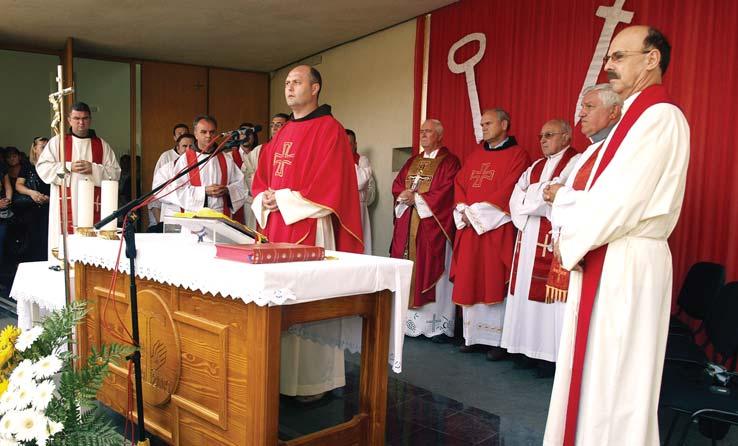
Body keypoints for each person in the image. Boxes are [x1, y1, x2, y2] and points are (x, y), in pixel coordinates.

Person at [542, 26, 690, 446]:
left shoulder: (660, 117)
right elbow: (597, 193)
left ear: (651, 59)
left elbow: (620, 200)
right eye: (609, 58)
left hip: (626, 261)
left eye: (619, 56)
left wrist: (567, 237)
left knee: (616, 379)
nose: (610, 66)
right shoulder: (632, 118)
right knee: (592, 375)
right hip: (608, 254)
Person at [251, 65, 363, 400]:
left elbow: (332, 187)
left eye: (296, 82)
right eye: (286, 82)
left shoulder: (330, 130)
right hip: (275, 227)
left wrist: (280, 197)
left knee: (307, 305)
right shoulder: (281, 134)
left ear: (315, 89)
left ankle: (315, 382)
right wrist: (263, 197)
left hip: (310, 228)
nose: (288, 87)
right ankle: (282, 379)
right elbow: (261, 177)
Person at [499, 119, 580, 377]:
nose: (543, 140)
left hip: (551, 236)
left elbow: (558, 197)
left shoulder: (575, 163)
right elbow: (516, 197)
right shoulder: (534, 166)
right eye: (540, 136)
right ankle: (525, 349)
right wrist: (539, 195)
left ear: (566, 137)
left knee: (548, 300)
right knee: (524, 292)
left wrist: (534, 197)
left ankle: (548, 355)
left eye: (549, 135)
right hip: (529, 236)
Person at [451, 108, 531, 360]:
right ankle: (472, 337)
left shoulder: (518, 155)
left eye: (488, 123)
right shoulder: (475, 155)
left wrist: (476, 214)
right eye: (481, 123)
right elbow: (460, 183)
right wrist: (464, 210)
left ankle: (497, 340)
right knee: (470, 278)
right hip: (471, 230)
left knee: (494, 278)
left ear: (504, 124)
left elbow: (511, 188)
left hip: (496, 229)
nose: (483, 127)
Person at [390, 119, 460, 340]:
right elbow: (398, 184)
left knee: (432, 268)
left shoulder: (449, 162)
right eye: (421, 131)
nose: (423, 135)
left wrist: (418, 198)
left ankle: (436, 327)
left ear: (440, 135)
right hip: (408, 223)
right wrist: (403, 195)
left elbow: (447, 191)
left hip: (432, 227)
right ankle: (406, 322)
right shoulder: (413, 161)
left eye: (428, 131)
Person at [37, 102, 121, 258]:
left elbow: (115, 173)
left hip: (93, 206)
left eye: (85, 118)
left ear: (90, 120)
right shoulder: (58, 143)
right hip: (65, 206)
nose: (81, 122)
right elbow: (42, 168)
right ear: (69, 120)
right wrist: (68, 167)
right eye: (76, 118)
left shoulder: (102, 145)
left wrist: (94, 169)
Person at [172, 115, 245, 218]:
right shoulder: (185, 160)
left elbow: (241, 187)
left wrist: (227, 190)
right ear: (196, 134)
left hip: (221, 216)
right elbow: (178, 190)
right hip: (195, 218)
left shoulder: (226, 158)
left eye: (212, 132)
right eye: (203, 132)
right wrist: (204, 191)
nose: (208, 136)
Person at [242, 113, 288, 229]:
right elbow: (246, 173)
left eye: (279, 125)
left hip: (283, 203)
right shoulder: (260, 150)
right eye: (272, 125)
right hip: (263, 200)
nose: (274, 128)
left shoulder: (292, 149)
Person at [15, 137, 51, 261]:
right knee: (32, 240)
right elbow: (18, 185)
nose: (46, 150)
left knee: (47, 239)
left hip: (49, 208)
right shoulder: (28, 166)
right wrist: (32, 193)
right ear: (35, 149)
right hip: (31, 208)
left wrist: (50, 199)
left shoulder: (53, 166)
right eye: (42, 147)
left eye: (48, 147)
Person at [151, 133, 196, 226]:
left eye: (191, 146)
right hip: (172, 218)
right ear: (178, 149)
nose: (188, 149)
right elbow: (159, 192)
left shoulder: (203, 167)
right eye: (184, 146)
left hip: (196, 218)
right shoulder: (167, 169)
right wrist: (185, 194)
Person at [347, 129, 377, 255]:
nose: (346, 147)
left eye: (349, 143)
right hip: (342, 207)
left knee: (359, 244)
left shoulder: (362, 160)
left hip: (358, 207)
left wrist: (346, 159)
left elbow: (360, 182)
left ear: (355, 144)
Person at [227, 122, 259, 226]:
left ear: (254, 137)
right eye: (242, 133)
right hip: (238, 202)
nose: (245, 136)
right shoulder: (229, 157)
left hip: (256, 203)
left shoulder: (260, 155)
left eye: (249, 134)